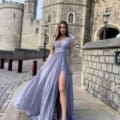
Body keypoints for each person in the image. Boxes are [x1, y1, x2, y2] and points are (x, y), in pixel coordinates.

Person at [14, 20, 76, 120]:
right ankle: (53, 111)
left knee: (62, 88)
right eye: (60, 27)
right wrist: (45, 65)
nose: (62, 29)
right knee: (50, 88)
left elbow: (70, 55)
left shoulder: (70, 39)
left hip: (63, 65)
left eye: (64, 27)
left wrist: (71, 67)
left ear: (66, 28)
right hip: (52, 64)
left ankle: (64, 115)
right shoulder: (55, 38)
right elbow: (51, 53)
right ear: (58, 28)